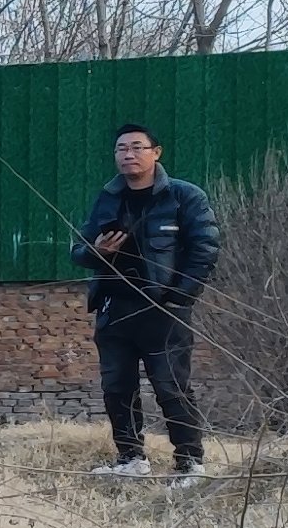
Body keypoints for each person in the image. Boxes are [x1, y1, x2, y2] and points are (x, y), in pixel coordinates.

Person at [73, 121, 220, 477]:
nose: (129, 155)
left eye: (137, 147)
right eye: (122, 149)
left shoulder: (185, 196)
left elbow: (205, 250)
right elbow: (78, 250)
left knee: (171, 387)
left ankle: (189, 464)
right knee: (116, 388)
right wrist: (97, 252)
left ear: (156, 152)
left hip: (163, 310)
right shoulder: (108, 197)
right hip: (113, 309)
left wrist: (178, 299)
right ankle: (130, 460)